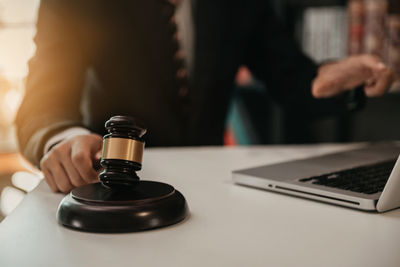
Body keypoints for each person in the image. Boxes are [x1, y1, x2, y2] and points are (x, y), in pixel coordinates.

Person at [16, 0, 394, 193]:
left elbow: (293, 80)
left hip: (211, 186)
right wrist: (64, 140)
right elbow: (41, 109)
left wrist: (335, 78)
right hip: (112, 191)